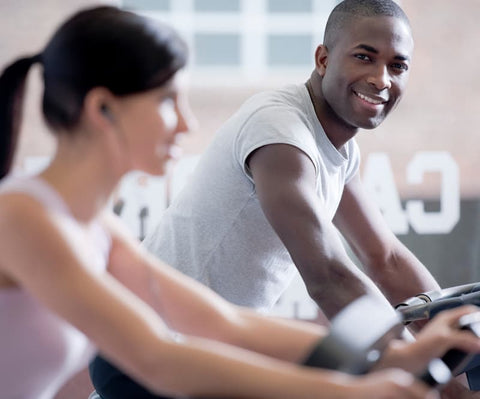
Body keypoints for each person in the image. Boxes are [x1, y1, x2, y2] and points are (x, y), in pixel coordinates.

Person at [3, 5, 475, 399]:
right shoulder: (24, 217)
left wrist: (404, 353)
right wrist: (357, 386)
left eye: (398, 65)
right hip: (155, 366)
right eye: (169, 101)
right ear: (102, 109)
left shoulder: (93, 226)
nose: (187, 124)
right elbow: (161, 357)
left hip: (185, 352)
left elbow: (228, 325)